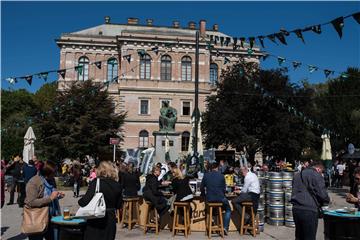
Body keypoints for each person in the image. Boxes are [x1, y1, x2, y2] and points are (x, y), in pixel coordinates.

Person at [78, 161, 122, 240]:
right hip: (110, 220)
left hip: (96, 220)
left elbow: (84, 202)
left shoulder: (96, 183)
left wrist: (80, 200)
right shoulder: (117, 185)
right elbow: (119, 205)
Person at [25, 161, 65, 240]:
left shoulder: (51, 180)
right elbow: (31, 202)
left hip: (52, 218)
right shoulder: (33, 182)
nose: (55, 174)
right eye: (54, 173)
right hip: (37, 219)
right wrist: (50, 198)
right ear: (47, 173)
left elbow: (52, 194)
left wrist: (57, 195)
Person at [291, 160, 330, 240]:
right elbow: (322, 194)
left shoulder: (297, 175)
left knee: (299, 236)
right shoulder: (316, 175)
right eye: (321, 172)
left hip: (296, 208)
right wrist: (328, 200)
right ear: (318, 169)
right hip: (309, 210)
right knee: (309, 237)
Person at [200, 162, 231, 235]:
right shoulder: (221, 176)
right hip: (220, 198)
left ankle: (212, 219)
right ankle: (225, 228)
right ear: (217, 168)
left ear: (211, 168)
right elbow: (224, 189)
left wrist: (203, 195)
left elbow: (201, 188)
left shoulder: (206, 175)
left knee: (211, 207)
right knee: (228, 209)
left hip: (209, 199)